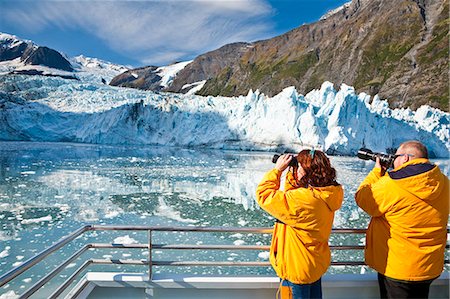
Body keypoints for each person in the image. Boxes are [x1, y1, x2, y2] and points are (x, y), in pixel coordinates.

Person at [355, 140, 449, 299]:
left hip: (399, 268)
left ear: (405, 158)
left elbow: (363, 198)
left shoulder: (392, 183)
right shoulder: (444, 182)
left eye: (395, 156)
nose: (393, 160)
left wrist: (376, 173)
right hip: (428, 267)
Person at [256, 149, 343, 299]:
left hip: (297, 269)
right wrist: (294, 172)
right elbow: (294, 199)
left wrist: (277, 170)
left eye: (299, 166)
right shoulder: (328, 193)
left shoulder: (302, 200)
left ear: (307, 172)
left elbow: (264, 195)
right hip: (314, 264)